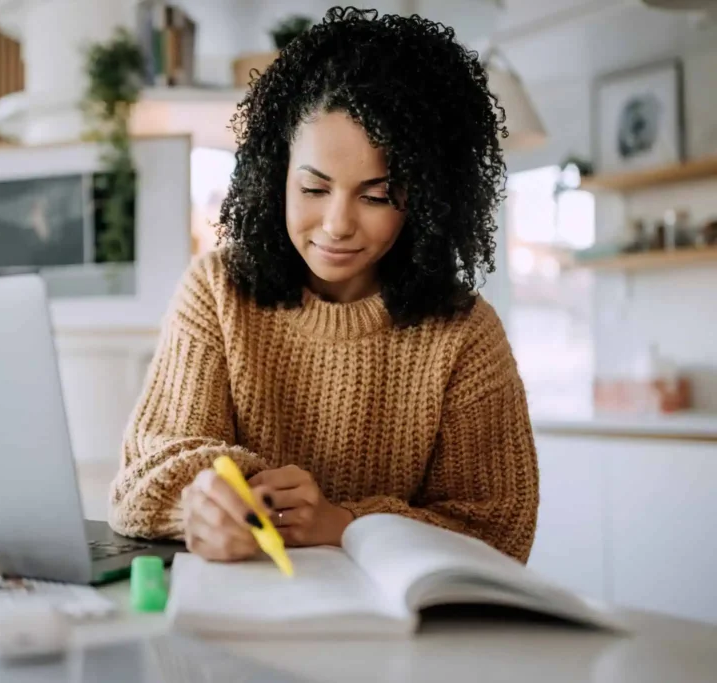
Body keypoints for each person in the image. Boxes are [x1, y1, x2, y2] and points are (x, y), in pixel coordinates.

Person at [108, 8, 538, 563]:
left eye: (377, 195)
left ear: (428, 200)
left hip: (397, 638)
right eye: (314, 188)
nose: (337, 224)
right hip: (231, 612)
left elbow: (500, 531)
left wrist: (343, 523)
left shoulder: (465, 336)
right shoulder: (217, 290)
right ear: (276, 174)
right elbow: (141, 479)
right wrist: (202, 501)